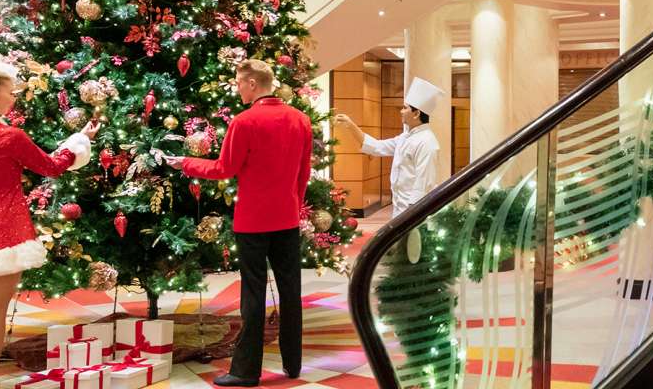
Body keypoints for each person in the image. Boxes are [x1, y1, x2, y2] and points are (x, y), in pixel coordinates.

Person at [0, 55, 96, 389]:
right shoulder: (9, 137)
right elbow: (52, 167)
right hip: (7, 228)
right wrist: (78, 142)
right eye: (11, 91)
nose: (14, 98)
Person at [167, 59, 312, 388]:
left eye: (238, 83)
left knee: (253, 294)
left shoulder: (245, 121)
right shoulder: (300, 120)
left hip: (252, 222)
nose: (237, 88)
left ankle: (246, 371)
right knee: (291, 291)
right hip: (287, 218)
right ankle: (293, 363)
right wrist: (294, 204)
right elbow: (303, 172)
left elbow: (224, 169)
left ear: (251, 84)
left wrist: (185, 163)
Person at [334, 77, 446, 218]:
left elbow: (423, 185)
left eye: (405, 108)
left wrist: (412, 216)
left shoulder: (427, 142)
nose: (401, 111)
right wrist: (351, 125)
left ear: (416, 114)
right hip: (399, 209)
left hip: (412, 213)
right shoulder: (405, 137)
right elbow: (376, 147)